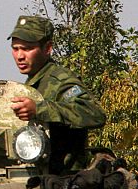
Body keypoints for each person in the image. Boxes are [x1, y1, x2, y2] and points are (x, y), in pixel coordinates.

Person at [8, 15, 106, 174]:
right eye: (15, 48)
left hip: (65, 182)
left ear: (47, 48)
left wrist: (40, 110)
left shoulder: (60, 80)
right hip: (38, 179)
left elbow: (94, 114)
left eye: (27, 49)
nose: (19, 56)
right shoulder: (30, 85)